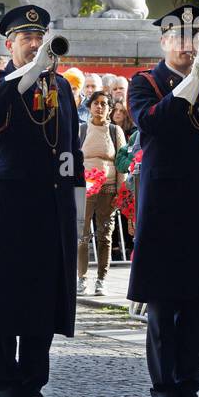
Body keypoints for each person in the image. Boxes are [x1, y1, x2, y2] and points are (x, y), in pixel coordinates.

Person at [0, 5, 82, 397]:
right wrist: (31, 70)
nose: (35, 45)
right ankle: (6, 387)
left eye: (39, 37)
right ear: (10, 45)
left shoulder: (62, 86)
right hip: (12, 203)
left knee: (43, 295)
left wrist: (76, 205)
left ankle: (34, 386)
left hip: (51, 202)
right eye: (27, 38)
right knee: (7, 294)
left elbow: (69, 145)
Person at [127, 3, 199, 397]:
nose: (190, 46)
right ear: (165, 42)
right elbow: (153, 122)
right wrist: (191, 81)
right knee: (163, 306)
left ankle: (189, 389)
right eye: (182, 38)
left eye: (195, 38)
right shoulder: (146, 82)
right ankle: (164, 390)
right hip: (165, 211)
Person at [77, 89, 126, 295]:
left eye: (104, 103)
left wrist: (121, 191)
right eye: (96, 103)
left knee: (105, 235)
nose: (99, 107)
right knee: (82, 235)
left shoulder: (115, 131)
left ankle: (101, 279)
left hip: (109, 188)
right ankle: (81, 278)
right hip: (84, 189)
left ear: (110, 108)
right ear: (89, 107)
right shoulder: (81, 130)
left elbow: (122, 163)